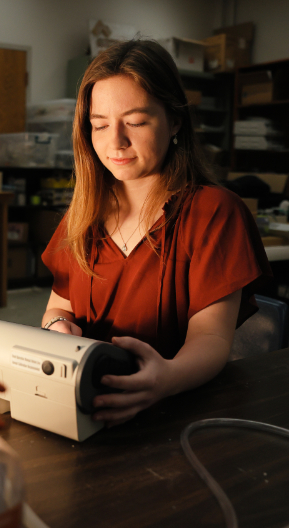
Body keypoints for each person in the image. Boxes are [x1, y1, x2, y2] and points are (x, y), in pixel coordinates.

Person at [41, 39, 272, 428]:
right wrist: (56, 328)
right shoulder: (82, 216)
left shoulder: (214, 213)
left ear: (175, 120)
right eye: (100, 125)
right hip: (86, 414)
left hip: (175, 419)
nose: (115, 141)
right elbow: (57, 306)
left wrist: (166, 379)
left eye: (135, 122)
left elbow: (211, 339)